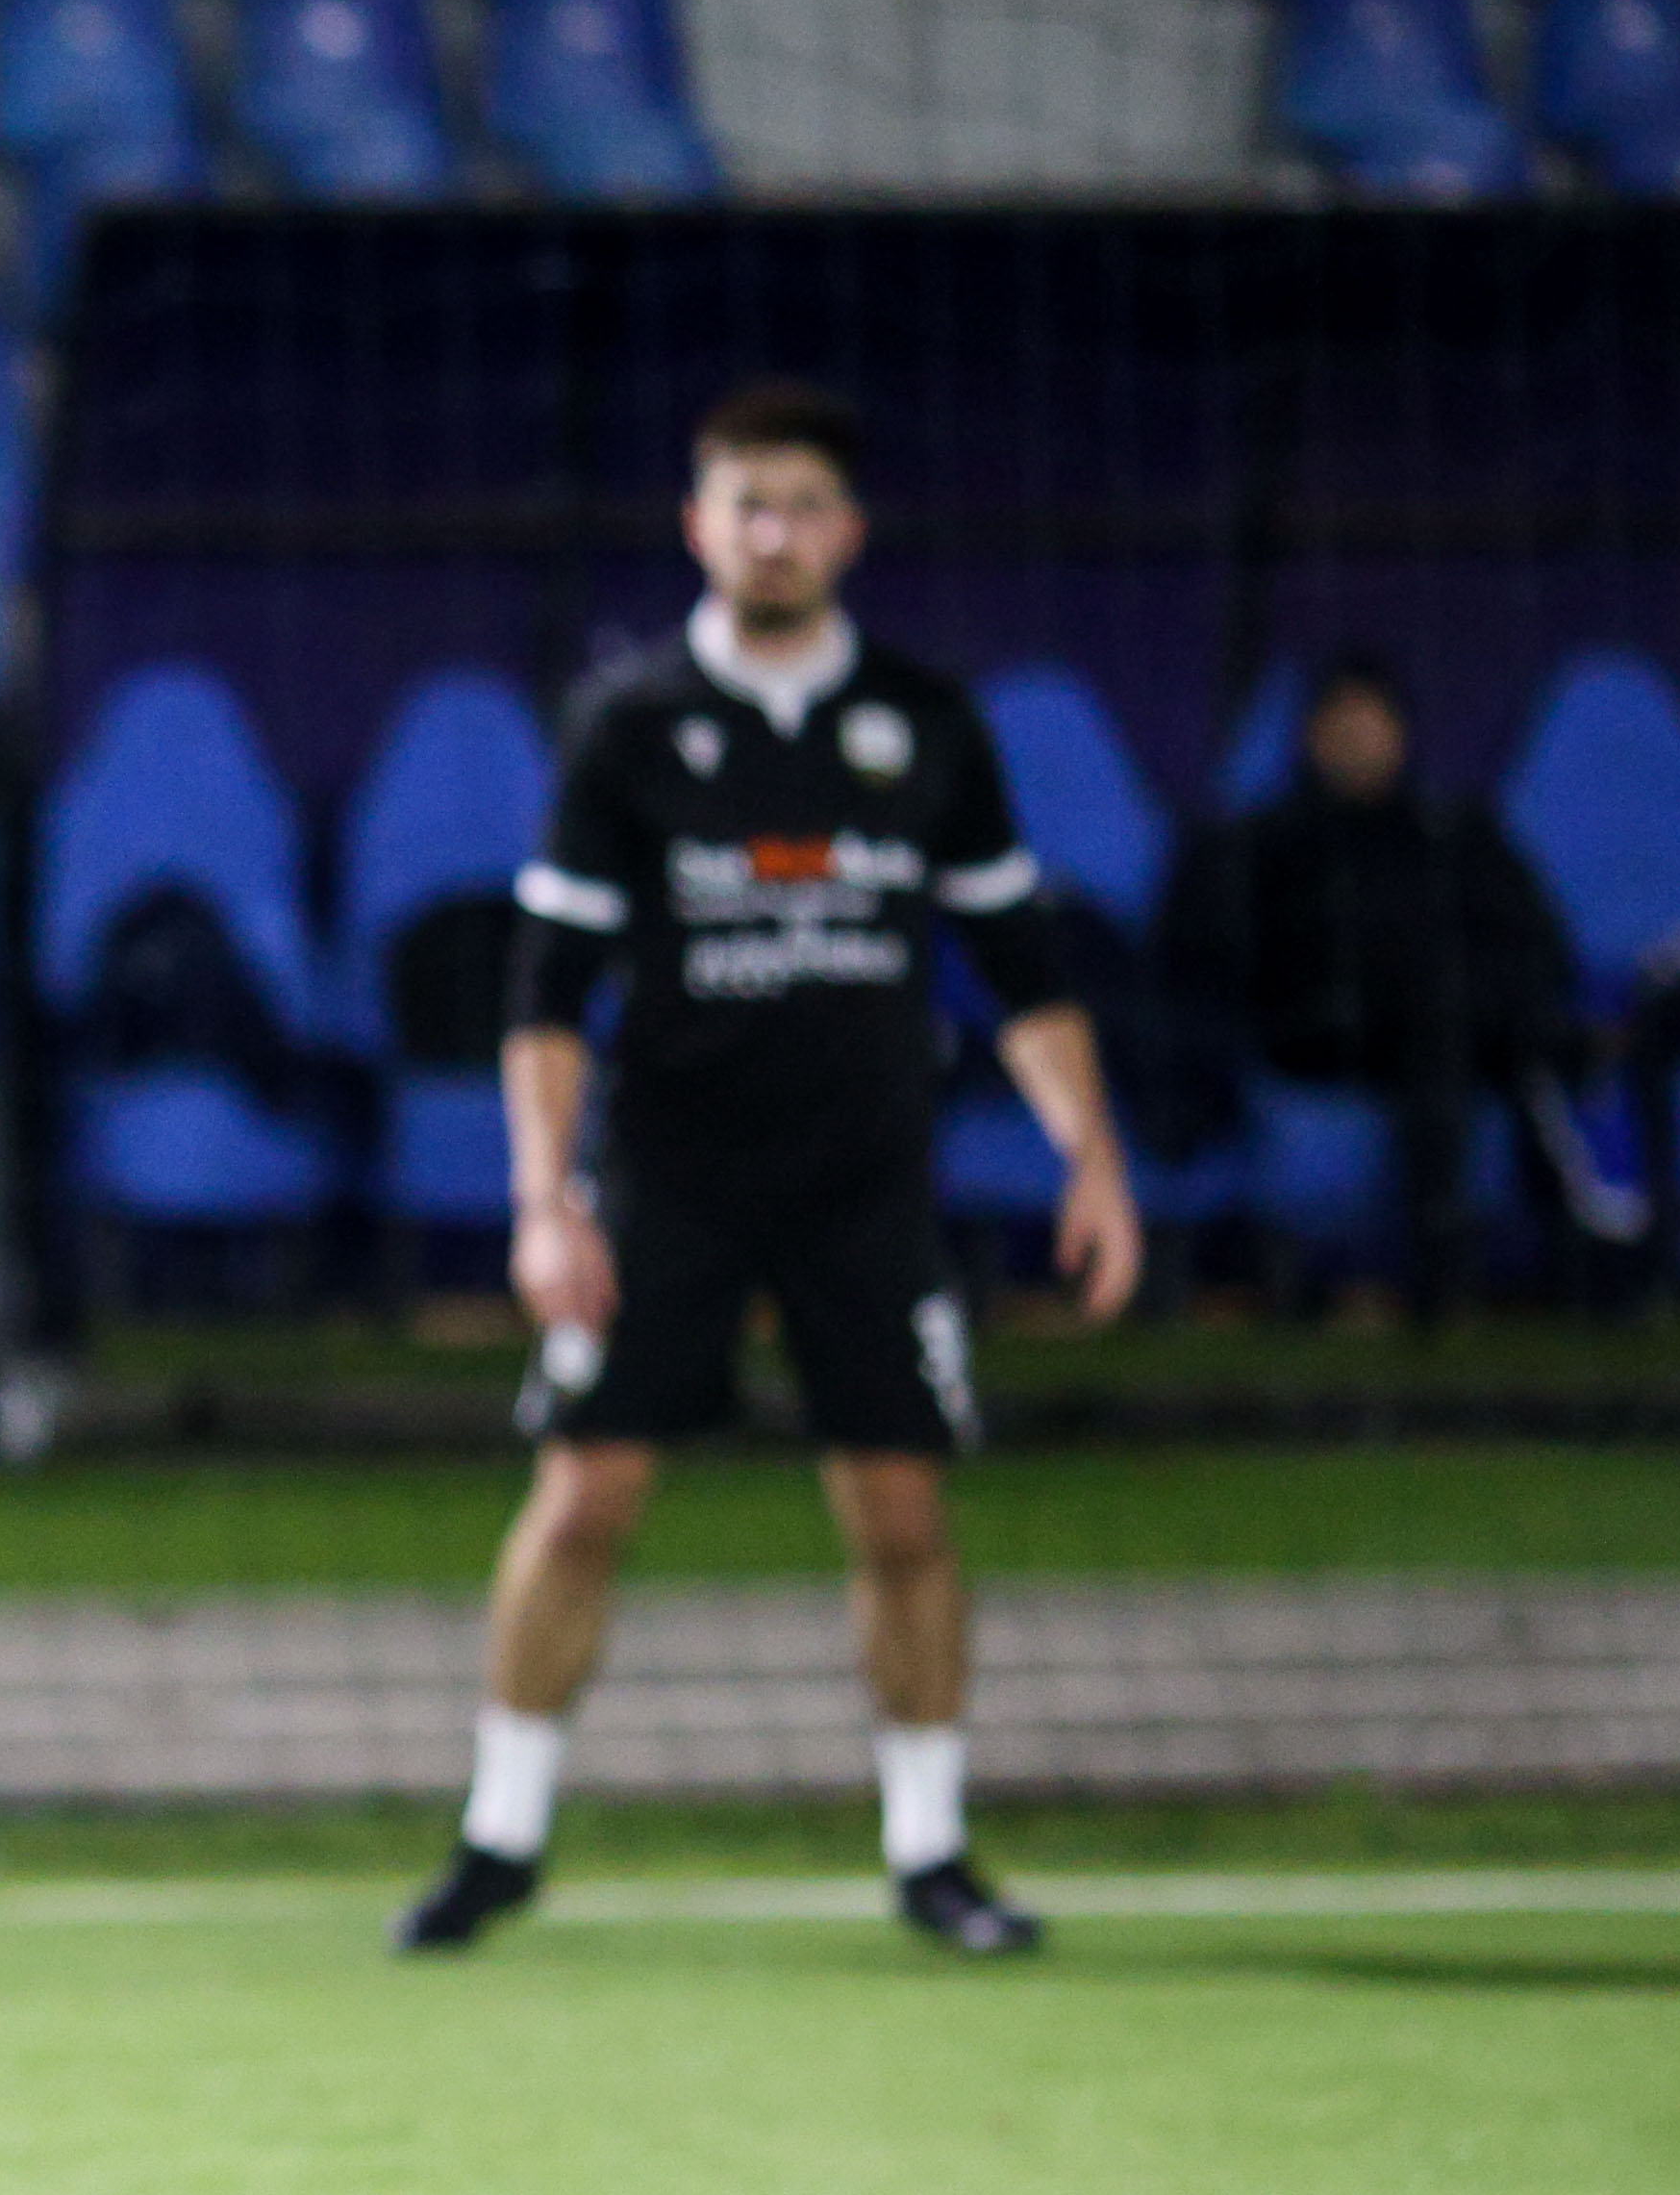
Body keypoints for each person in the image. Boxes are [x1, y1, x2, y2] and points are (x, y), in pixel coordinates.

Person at [391, 378, 1140, 1960]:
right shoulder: (630, 724)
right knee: (583, 1492)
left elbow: (1021, 965)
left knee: (902, 1509)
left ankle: (931, 1851)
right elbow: (546, 991)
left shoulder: (927, 722)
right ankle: (498, 1838)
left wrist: (1092, 1160)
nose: (775, 534)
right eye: (748, 504)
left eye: (804, 507)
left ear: (849, 532)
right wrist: (544, 1200)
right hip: (670, 1179)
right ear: (697, 524)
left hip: (867, 1180)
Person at [1156, 654, 1579, 1313]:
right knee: (1440, 1012)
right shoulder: (1265, 840)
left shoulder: (1450, 831)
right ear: (1310, 735)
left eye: (1371, 722)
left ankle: (1502, 1251)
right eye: (1340, 724)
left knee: (1456, 1015)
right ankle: (1450, 1261)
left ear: (1401, 733)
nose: (1356, 741)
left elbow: (1535, 946)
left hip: (1446, 1039)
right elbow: (1202, 956)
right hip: (1313, 1035)